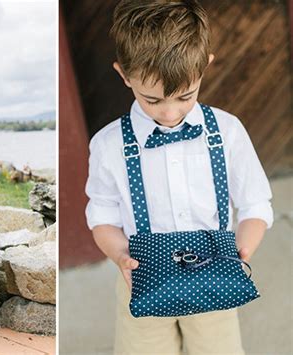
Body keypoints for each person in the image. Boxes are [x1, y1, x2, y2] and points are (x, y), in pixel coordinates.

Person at [85, 1, 273, 354]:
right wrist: (121, 257)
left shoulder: (228, 132)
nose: (170, 112)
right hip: (141, 278)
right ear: (124, 75)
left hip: (216, 273)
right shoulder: (108, 145)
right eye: (152, 100)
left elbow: (255, 204)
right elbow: (103, 217)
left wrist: (243, 252)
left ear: (204, 68)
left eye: (185, 96)